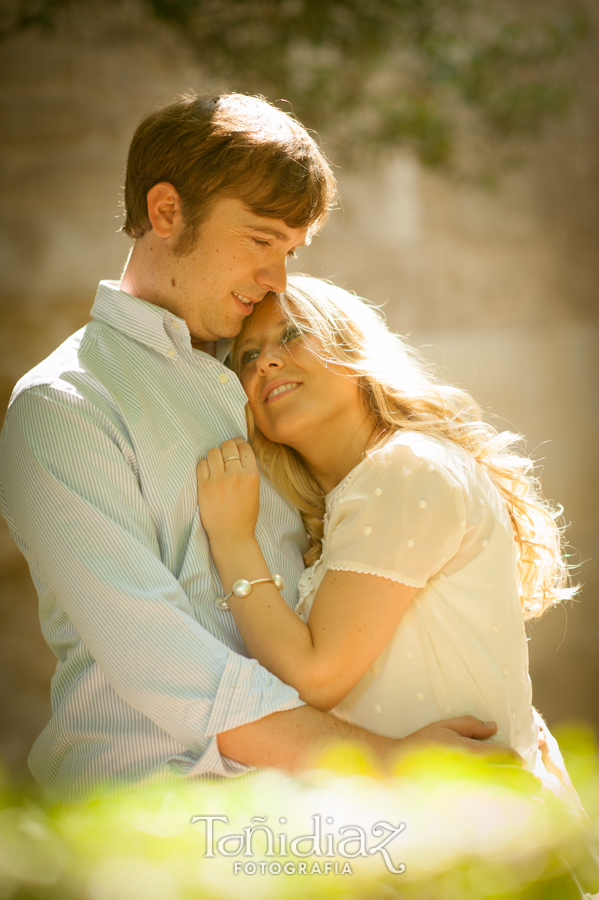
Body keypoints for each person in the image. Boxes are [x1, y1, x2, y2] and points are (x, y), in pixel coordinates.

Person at [0, 92, 501, 804]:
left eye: (289, 252)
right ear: (167, 212)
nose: (277, 280)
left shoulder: (282, 373)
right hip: (154, 817)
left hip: (307, 814)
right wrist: (386, 762)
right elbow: (159, 660)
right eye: (261, 240)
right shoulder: (64, 407)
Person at [197, 274, 579, 776]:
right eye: (247, 356)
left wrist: (231, 540)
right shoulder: (356, 492)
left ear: (351, 350)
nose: (265, 361)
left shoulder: (402, 469)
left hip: (462, 817)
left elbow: (316, 678)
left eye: (292, 335)